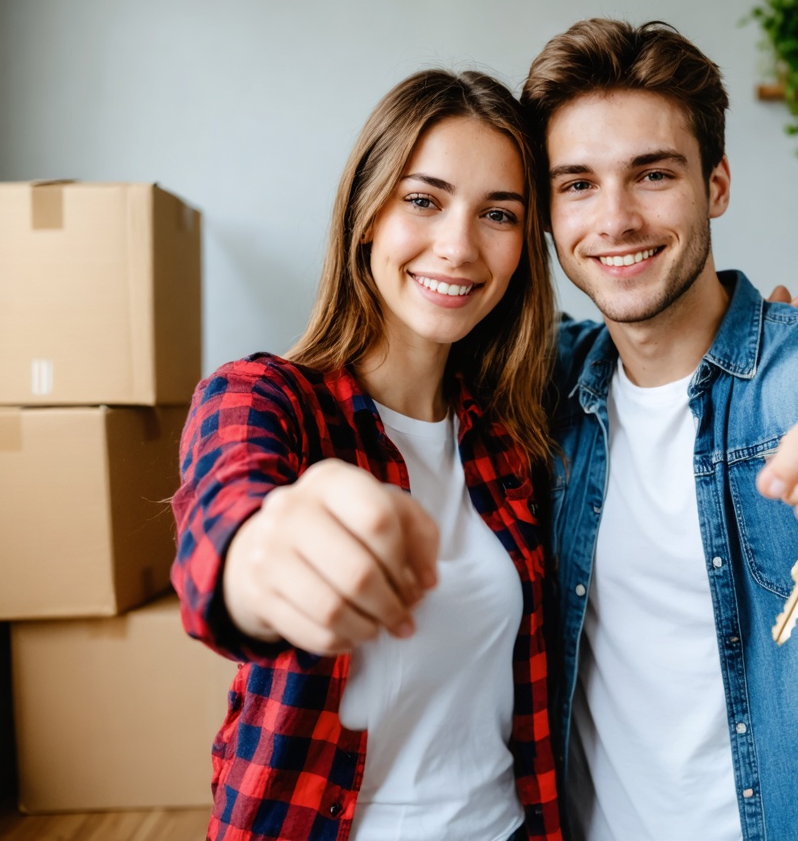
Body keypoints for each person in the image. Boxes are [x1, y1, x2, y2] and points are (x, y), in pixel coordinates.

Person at [520, 19, 798, 841]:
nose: (613, 220)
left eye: (652, 174)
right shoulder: (541, 390)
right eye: (577, 184)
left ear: (715, 185)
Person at [170, 70, 563, 841]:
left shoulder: (515, 435)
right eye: (424, 200)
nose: (457, 245)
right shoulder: (263, 398)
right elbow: (225, 531)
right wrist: (264, 558)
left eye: (499, 214)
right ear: (366, 216)